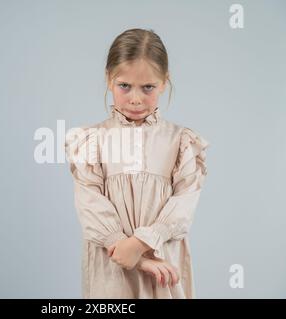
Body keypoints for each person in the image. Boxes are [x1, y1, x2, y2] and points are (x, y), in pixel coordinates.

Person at [65, 28, 210, 299]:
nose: (135, 98)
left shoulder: (180, 142)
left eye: (148, 88)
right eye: (125, 86)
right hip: (112, 266)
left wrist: (143, 242)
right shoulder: (92, 141)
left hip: (164, 262)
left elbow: (184, 204)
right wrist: (127, 249)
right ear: (109, 80)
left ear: (164, 82)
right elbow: (90, 205)